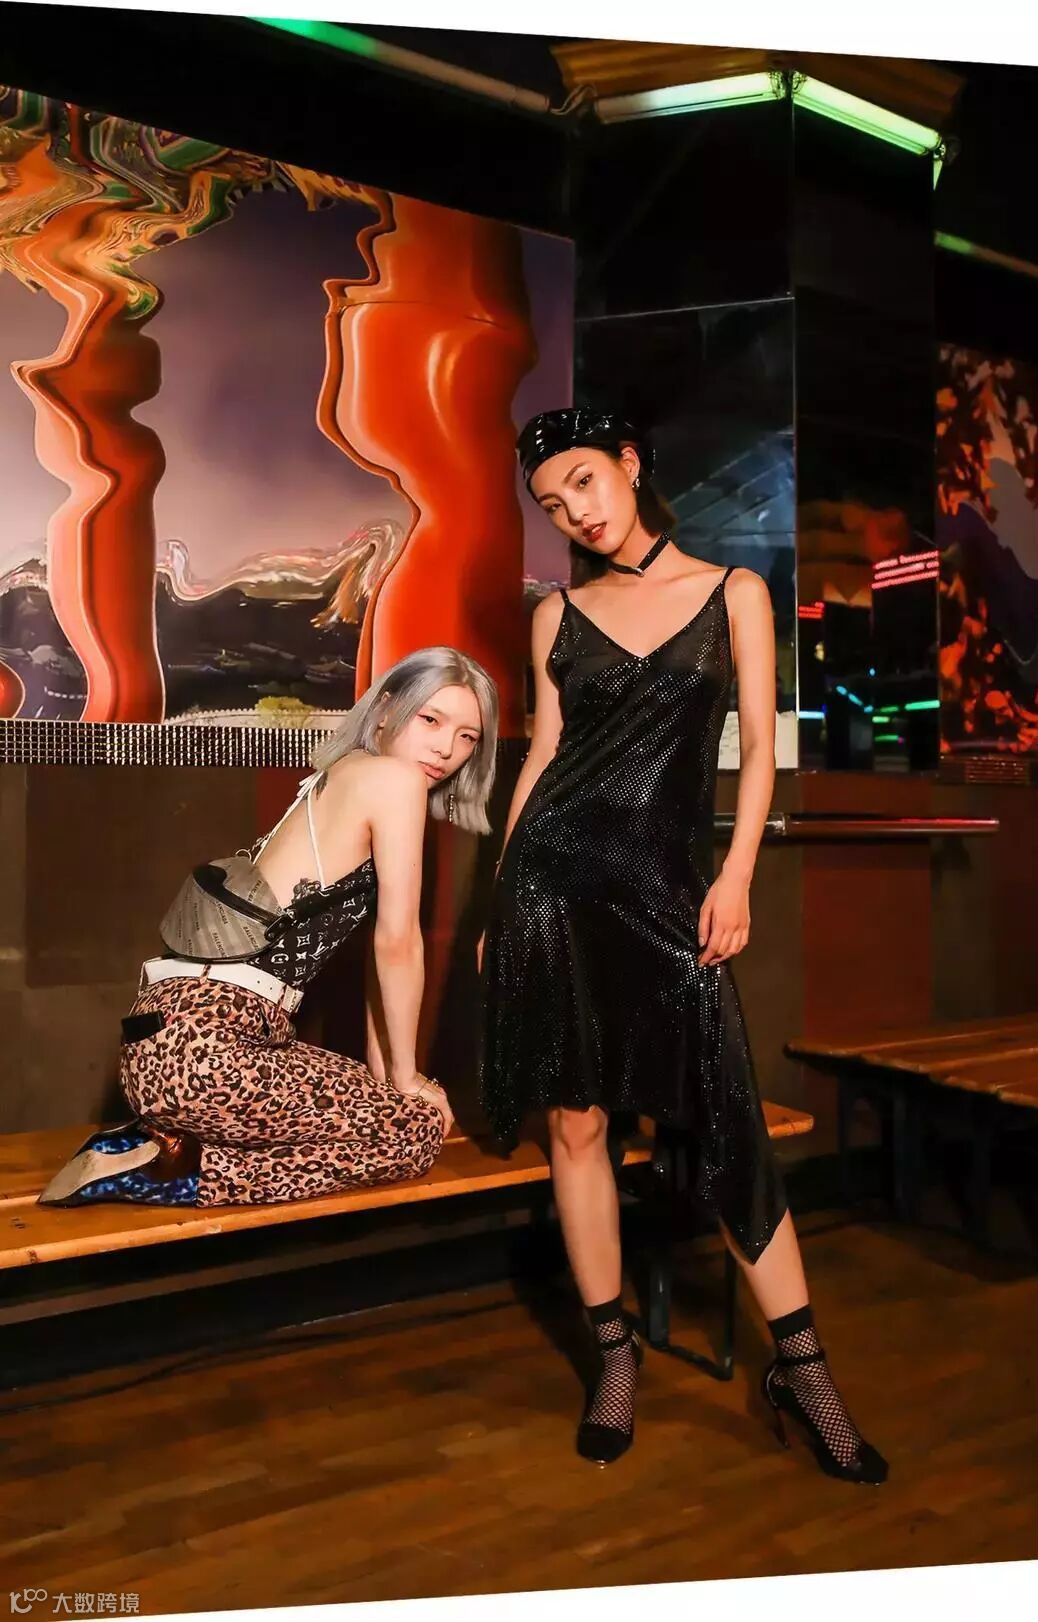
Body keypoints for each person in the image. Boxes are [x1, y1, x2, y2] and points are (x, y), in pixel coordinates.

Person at [478, 408, 887, 1484]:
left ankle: (804, 1370)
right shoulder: (558, 613)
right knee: (575, 1122)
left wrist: (737, 872)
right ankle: (613, 1355)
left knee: (728, 1119)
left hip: (668, 894)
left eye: (583, 481)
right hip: (553, 887)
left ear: (628, 465)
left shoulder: (734, 593)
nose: (574, 511)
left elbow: (755, 749)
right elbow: (543, 756)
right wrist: (499, 901)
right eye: (551, 503)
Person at [41, 646, 498, 1210]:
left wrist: (391, 1077)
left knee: (403, 1114)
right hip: (209, 1049)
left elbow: (378, 961)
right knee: (416, 1133)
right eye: (431, 720)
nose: (446, 749)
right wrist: (405, 1080)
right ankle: (173, 1169)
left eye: (468, 737)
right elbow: (398, 942)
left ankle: (157, 1144)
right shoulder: (394, 780)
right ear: (385, 710)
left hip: (170, 1047)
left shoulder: (338, 775)